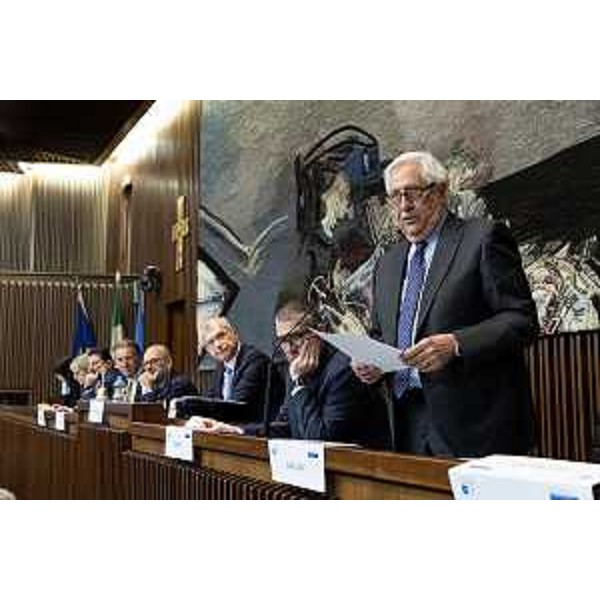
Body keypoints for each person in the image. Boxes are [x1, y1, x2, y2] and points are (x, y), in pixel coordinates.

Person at [352, 150, 539, 457]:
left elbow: (522, 320)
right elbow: (380, 334)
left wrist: (456, 344)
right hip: (406, 425)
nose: (403, 206)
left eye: (412, 193)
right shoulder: (387, 264)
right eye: (395, 196)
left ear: (439, 193)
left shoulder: (482, 238)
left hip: (477, 427)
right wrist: (370, 362)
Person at [195, 299, 386, 446]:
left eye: (297, 336)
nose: (289, 348)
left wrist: (299, 383)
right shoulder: (295, 368)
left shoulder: (342, 368)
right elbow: (285, 426)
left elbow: (321, 440)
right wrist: (234, 430)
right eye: (282, 340)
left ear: (320, 331)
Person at [200, 316, 271, 420]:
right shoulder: (221, 368)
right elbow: (210, 401)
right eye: (211, 342)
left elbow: (235, 407)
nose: (217, 345)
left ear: (234, 333)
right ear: (208, 351)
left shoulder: (255, 360)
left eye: (221, 335)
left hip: (257, 427)